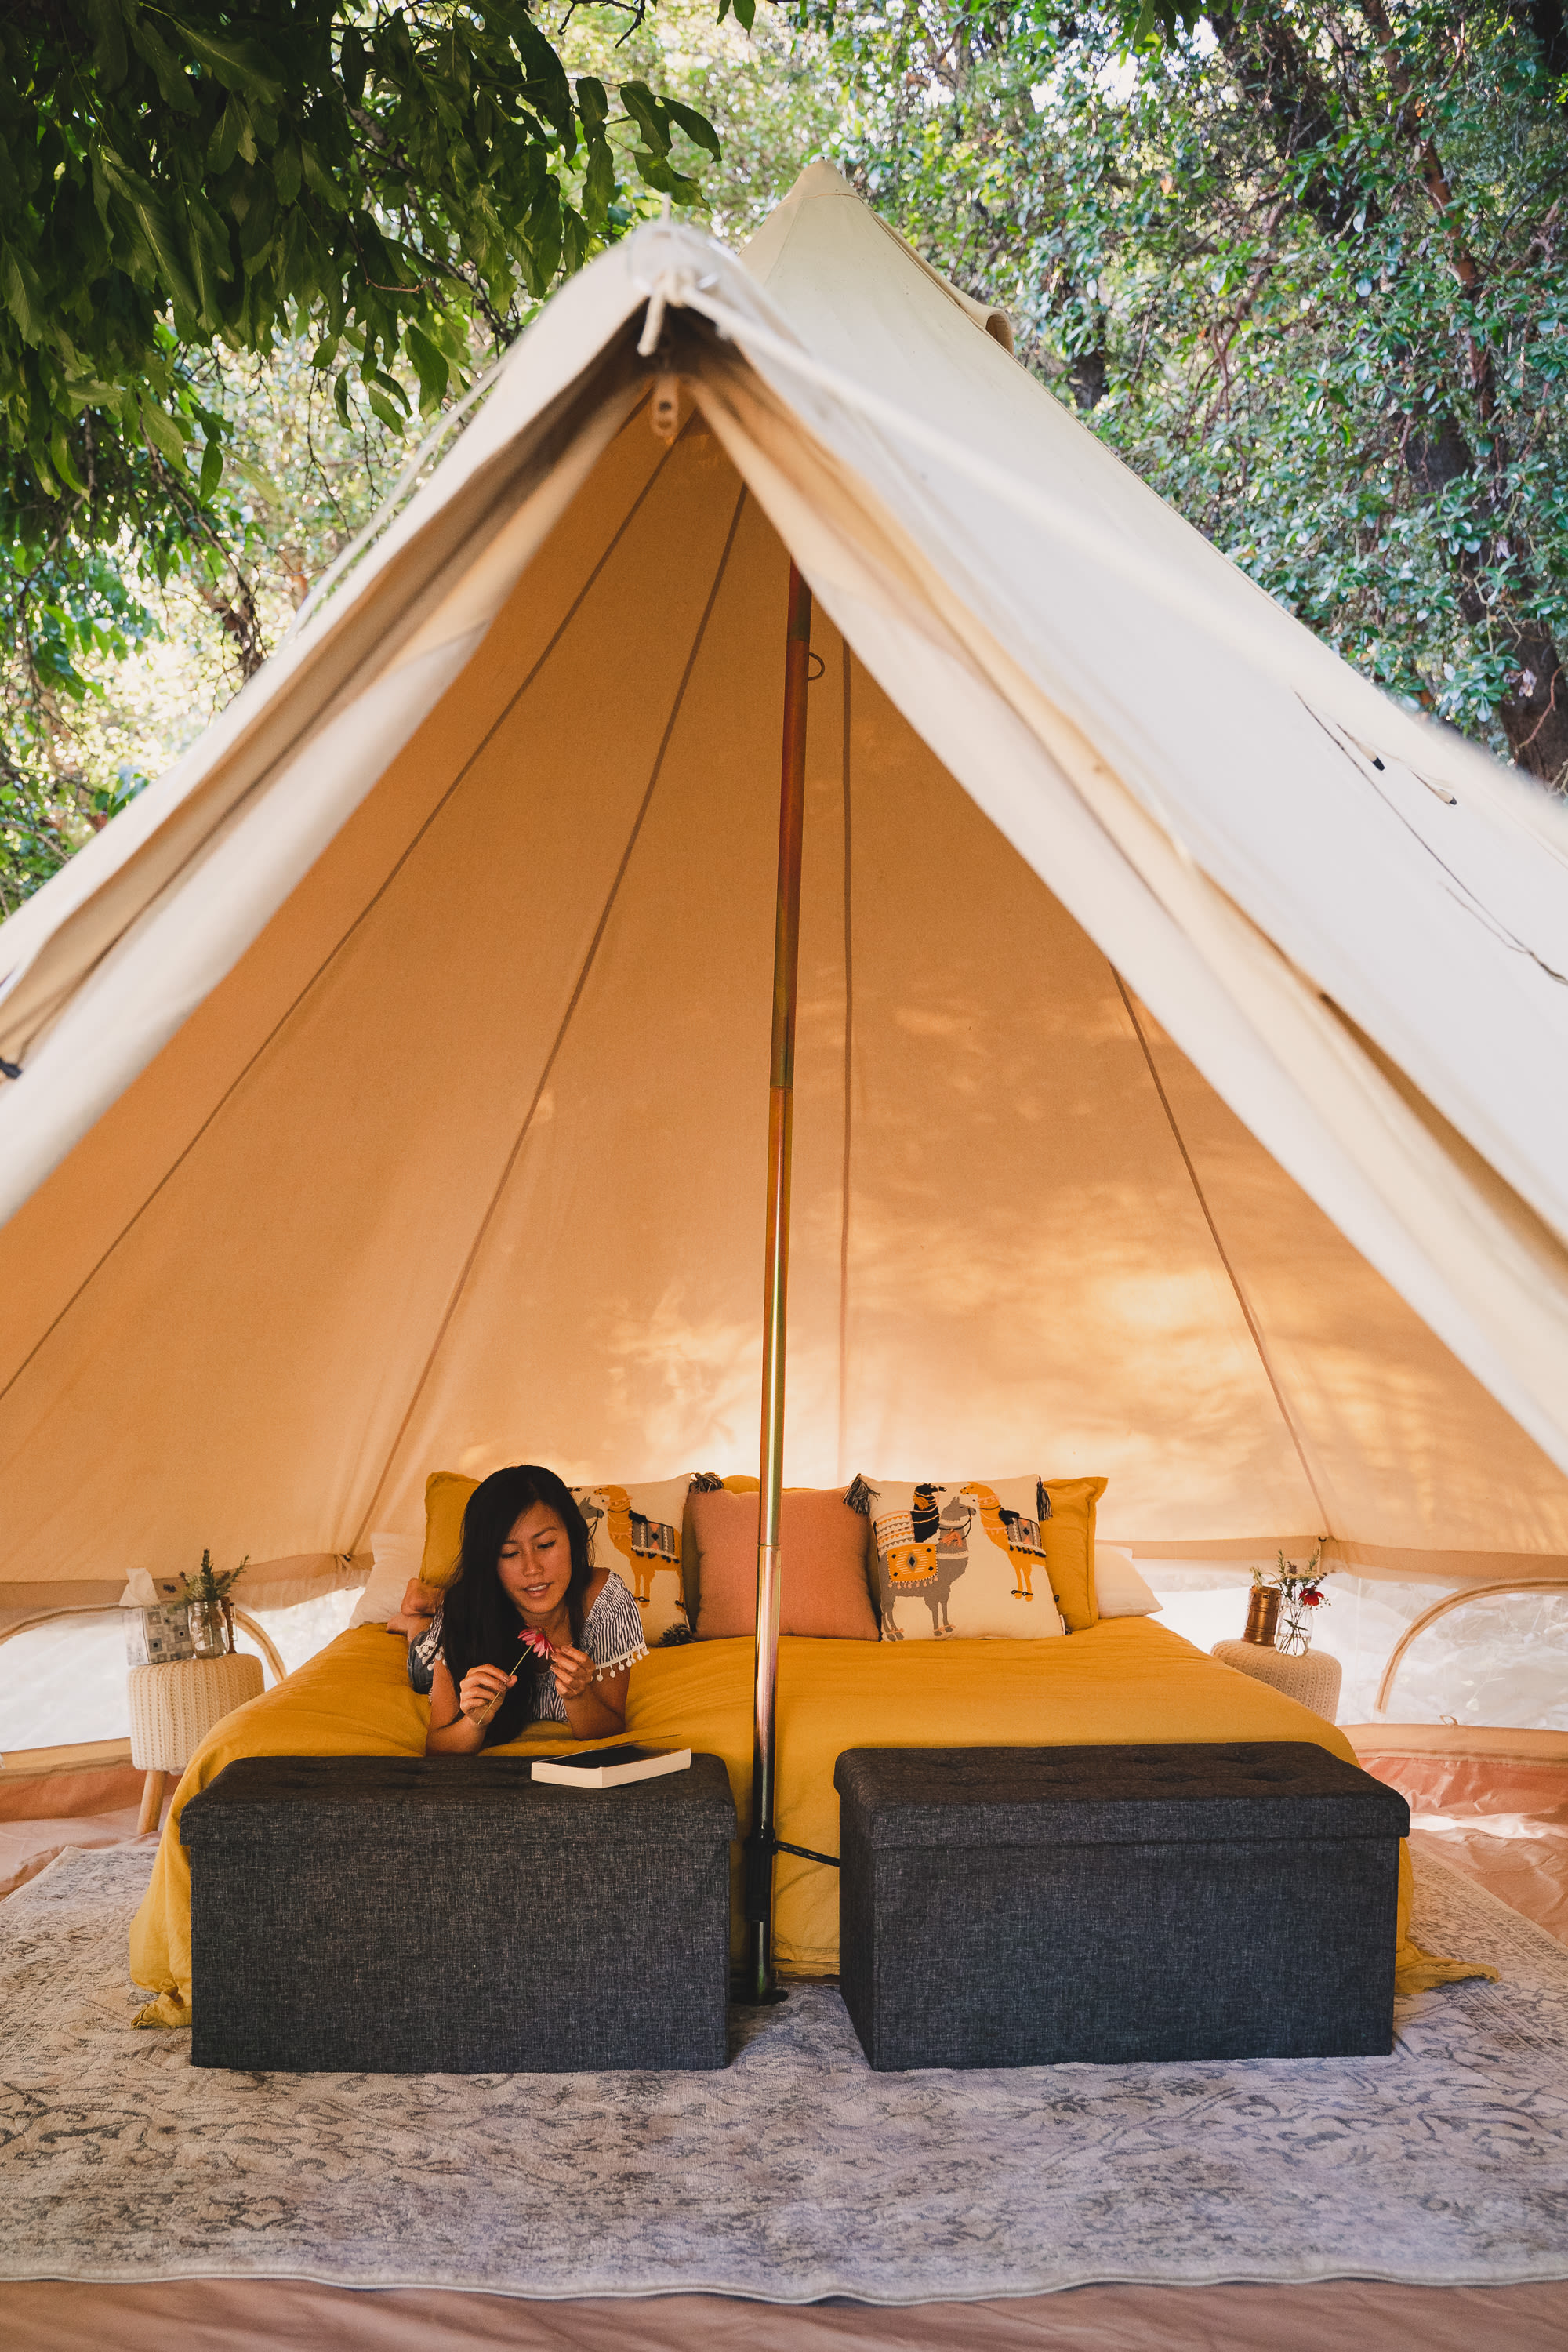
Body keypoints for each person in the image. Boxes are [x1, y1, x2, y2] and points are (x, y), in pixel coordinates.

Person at [417, 1465, 647, 1752]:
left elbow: (610, 1729)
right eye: (510, 1553)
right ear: (489, 1562)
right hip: (440, 1641)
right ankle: (415, 1618)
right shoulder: (463, 1611)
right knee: (418, 1663)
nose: (533, 1569)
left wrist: (579, 1696)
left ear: (573, 1539)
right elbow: (437, 1746)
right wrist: (474, 1722)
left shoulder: (605, 1601)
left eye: (546, 1544)